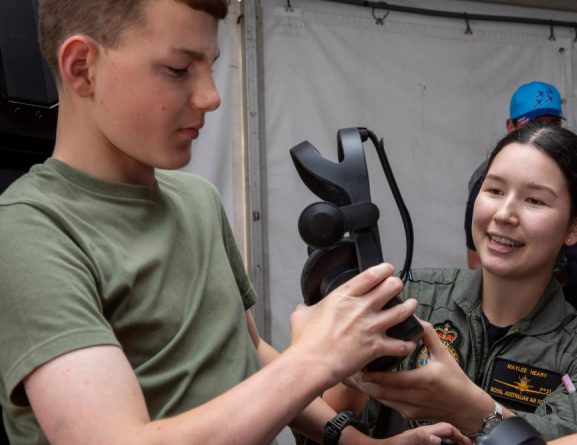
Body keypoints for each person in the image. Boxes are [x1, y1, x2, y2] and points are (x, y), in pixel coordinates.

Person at [0, 1, 472, 444]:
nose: (210, 96)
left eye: (210, 66)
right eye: (179, 69)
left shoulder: (197, 201)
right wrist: (317, 358)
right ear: (83, 67)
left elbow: (249, 353)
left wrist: (356, 441)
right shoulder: (32, 233)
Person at [321, 124, 577, 442]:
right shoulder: (409, 298)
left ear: (576, 226)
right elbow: (326, 405)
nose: (504, 214)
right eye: (495, 190)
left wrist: (473, 410)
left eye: (535, 201)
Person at [464, 81, 577, 359]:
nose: (544, 133)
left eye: (552, 123)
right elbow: (478, 259)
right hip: (532, 326)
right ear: (511, 127)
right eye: (534, 124)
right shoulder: (486, 177)